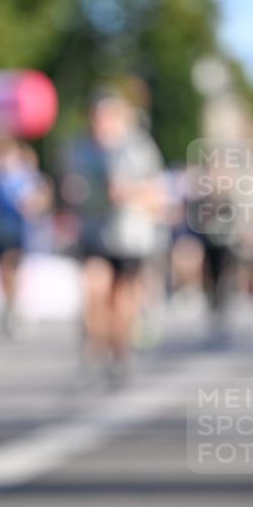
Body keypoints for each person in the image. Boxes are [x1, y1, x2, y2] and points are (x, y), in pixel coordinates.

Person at [62, 90, 163, 384]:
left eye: (107, 117)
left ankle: (120, 351)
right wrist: (71, 194)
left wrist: (130, 192)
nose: (101, 124)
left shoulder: (138, 148)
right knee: (94, 288)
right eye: (96, 118)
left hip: (130, 236)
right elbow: (69, 185)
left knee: (121, 300)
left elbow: (157, 193)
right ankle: (94, 344)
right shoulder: (80, 148)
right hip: (94, 232)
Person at [0, 136, 53, 337]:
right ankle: (9, 305)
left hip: (19, 231)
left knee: (11, 268)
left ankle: (14, 307)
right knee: (2, 272)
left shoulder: (26, 176)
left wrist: (32, 204)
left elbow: (42, 197)